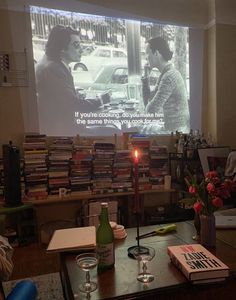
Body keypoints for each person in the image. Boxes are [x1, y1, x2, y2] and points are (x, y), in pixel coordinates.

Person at [35, 25, 101, 136]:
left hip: (64, 127)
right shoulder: (53, 68)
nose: (81, 50)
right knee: (115, 132)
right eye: (76, 45)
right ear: (62, 48)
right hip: (63, 132)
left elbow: (62, 97)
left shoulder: (55, 65)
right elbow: (73, 104)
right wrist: (100, 101)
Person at [142, 36, 190, 134]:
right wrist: (146, 76)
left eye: (147, 53)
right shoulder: (165, 73)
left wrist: (147, 107)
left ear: (156, 53)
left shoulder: (169, 76)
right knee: (142, 129)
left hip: (178, 133)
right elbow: (149, 99)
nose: (146, 58)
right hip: (172, 129)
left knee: (140, 131)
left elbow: (151, 110)